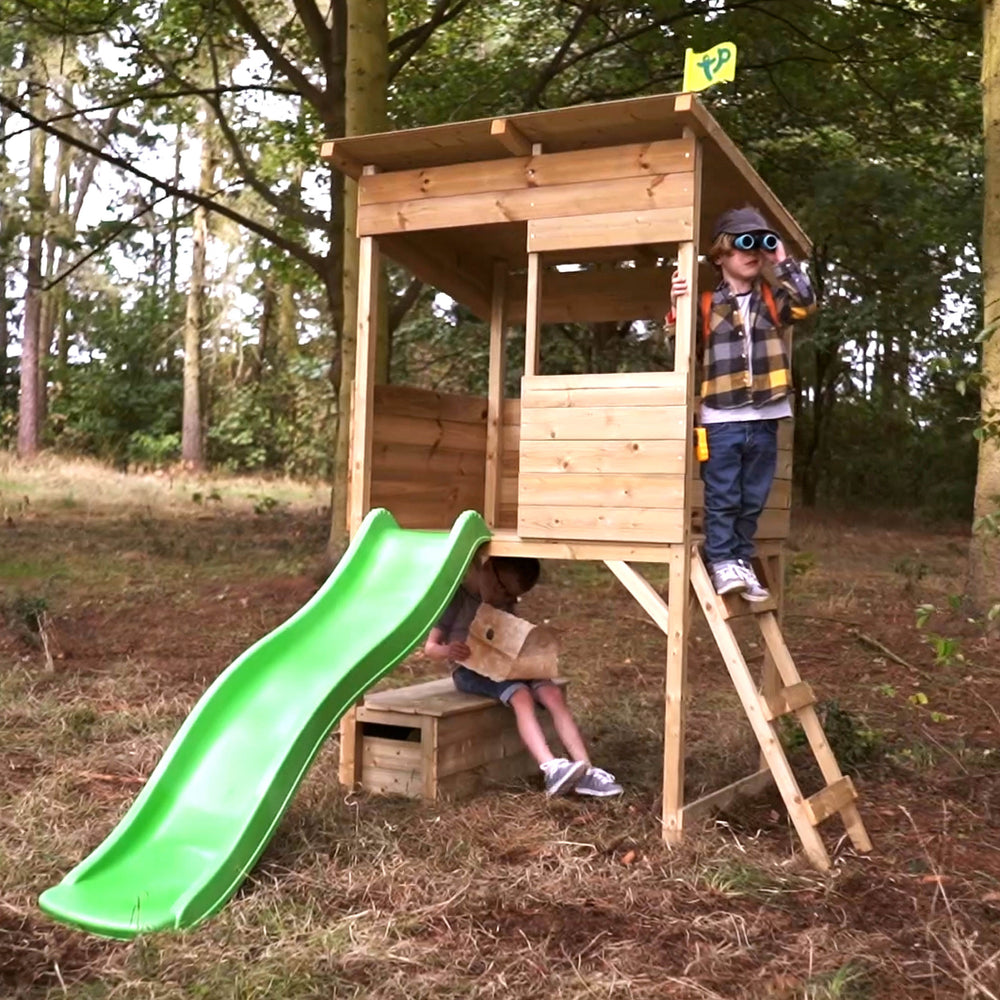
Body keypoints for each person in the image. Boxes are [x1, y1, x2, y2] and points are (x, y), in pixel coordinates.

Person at [667, 206, 816, 600]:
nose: (752, 252)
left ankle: (740, 559)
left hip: (767, 416)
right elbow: (679, 347)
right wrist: (675, 307)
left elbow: (806, 303)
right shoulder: (705, 305)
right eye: (741, 245)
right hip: (721, 418)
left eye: (759, 244)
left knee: (753, 497)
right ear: (720, 256)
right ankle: (721, 561)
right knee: (723, 494)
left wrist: (781, 259)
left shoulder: (772, 300)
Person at [424, 554, 622, 798]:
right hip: (470, 670)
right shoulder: (458, 598)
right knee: (521, 695)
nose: (504, 599)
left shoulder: (502, 601)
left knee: (551, 693)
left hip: (508, 664)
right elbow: (430, 648)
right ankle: (551, 767)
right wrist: (448, 650)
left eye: (510, 596)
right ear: (488, 571)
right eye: (503, 590)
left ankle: (588, 771)